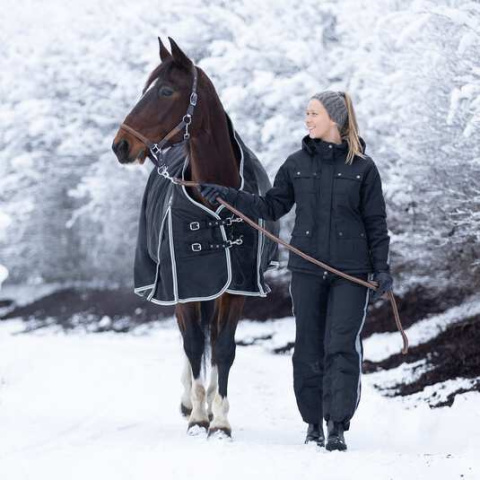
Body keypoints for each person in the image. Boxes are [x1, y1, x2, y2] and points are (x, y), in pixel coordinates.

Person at [198, 91, 393, 451]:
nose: (307, 120)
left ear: (333, 119)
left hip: (351, 272)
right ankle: (313, 423)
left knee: (341, 346)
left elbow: (376, 224)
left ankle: (337, 424)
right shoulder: (295, 164)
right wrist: (226, 195)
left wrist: (382, 269)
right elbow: (270, 206)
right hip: (306, 270)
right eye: (306, 113)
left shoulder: (364, 168)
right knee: (307, 348)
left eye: (313, 113)